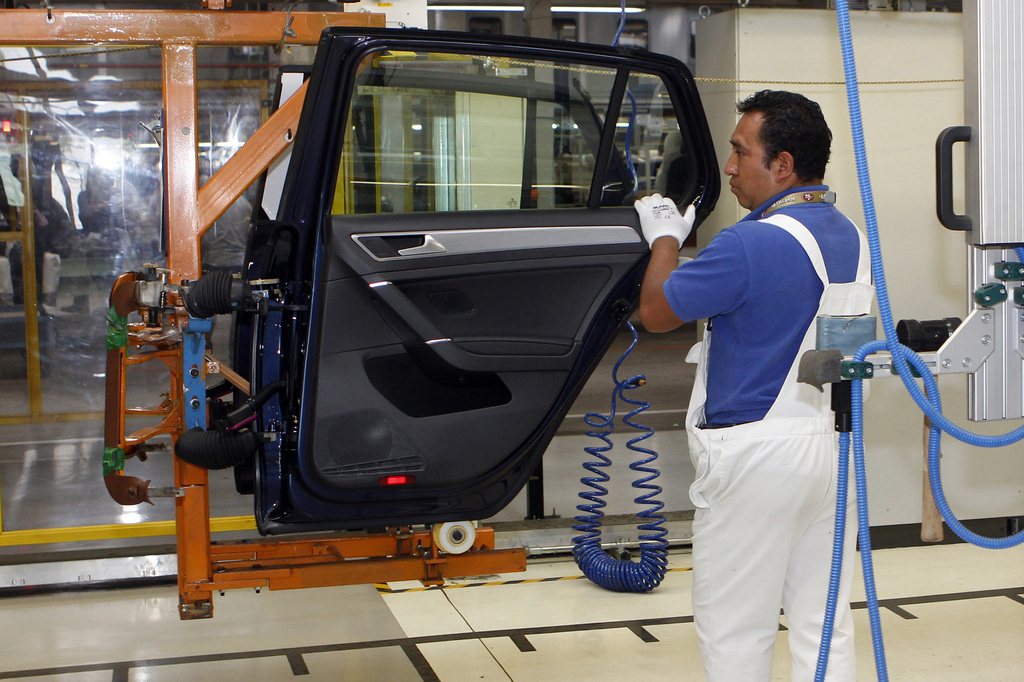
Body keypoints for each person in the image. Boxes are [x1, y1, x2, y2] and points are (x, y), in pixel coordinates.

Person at [635, 90, 873, 681]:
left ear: (783, 165)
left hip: (756, 459)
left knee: (736, 634)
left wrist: (664, 238)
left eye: (741, 152)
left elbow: (656, 311)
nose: (730, 166)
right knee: (824, 626)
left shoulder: (749, 242)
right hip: (833, 447)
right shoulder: (850, 235)